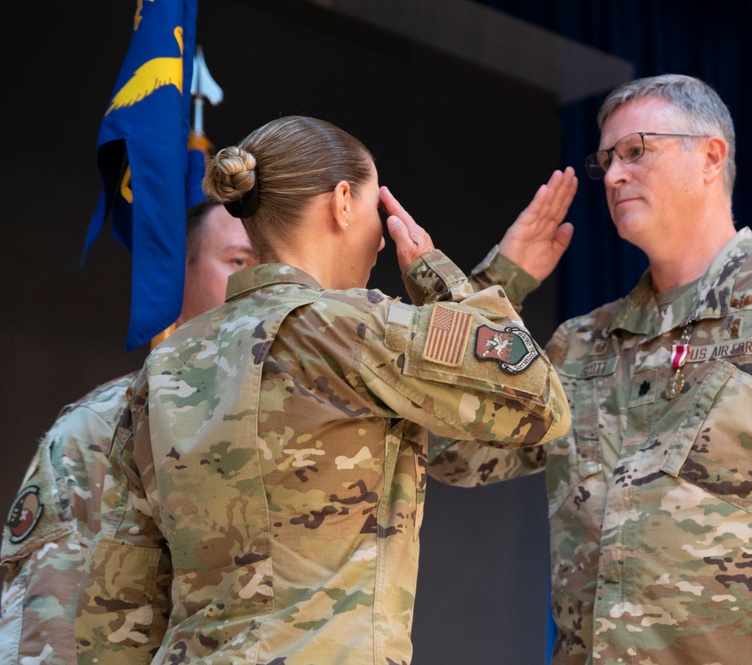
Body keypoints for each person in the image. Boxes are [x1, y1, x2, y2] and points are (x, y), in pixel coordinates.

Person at [430, 74, 752, 664]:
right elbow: (448, 449)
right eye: (607, 160)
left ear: (711, 157)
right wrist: (499, 288)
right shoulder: (581, 345)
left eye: (637, 151)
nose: (614, 176)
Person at [75, 115, 572, 665]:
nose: (382, 237)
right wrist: (437, 277)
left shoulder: (166, 363)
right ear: (341, 202)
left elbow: (120, 590)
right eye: (373, 211)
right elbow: (538, 401)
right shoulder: (355, 327)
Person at [0, 200, 256, 665]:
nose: (262, 283)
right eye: (240, 262)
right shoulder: (110, 424)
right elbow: (51, 634)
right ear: (179, 275)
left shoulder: (340, 406)